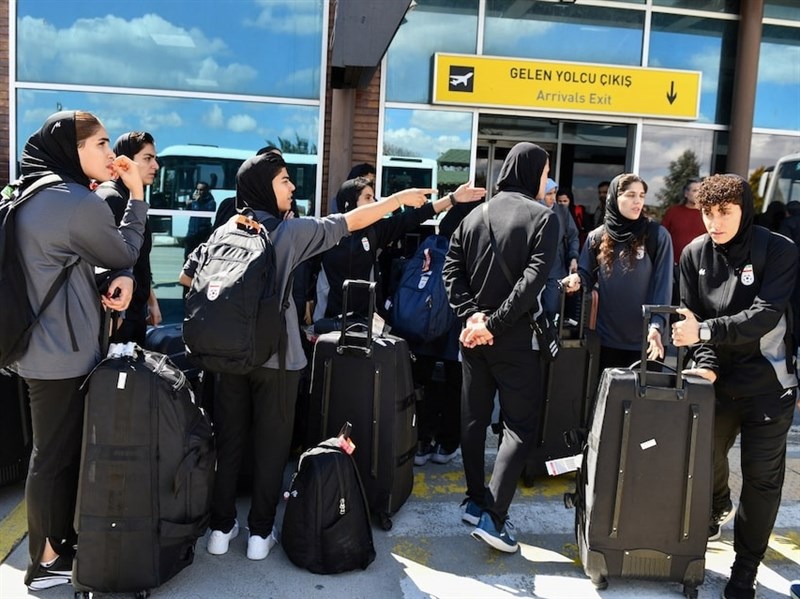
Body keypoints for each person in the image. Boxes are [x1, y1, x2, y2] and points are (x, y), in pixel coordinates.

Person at [179, 152, 432, 561]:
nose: (292, 186)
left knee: (228, 442)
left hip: (227, 356)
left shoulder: (227, 228)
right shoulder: (288, 232)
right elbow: (349, 221)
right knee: (271, 447)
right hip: (278, 359)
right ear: (264, 186)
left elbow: (187, 276)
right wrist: (399, 199)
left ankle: (220, 531)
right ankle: (260, 535)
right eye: (284, 180)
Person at [12, 110, 147, 590]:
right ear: (74, 150)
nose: (111, 154)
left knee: (53, 453)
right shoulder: (74, 201)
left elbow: (65, 263)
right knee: (52, 457)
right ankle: (44, 561)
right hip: (62, 353)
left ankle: (55, 546)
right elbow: (124, 251)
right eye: (101, 144)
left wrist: (114, 278)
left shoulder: (33, 192)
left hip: (37, 347)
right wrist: (136, 194)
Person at [671, 174, 798, 599]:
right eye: (708, 212)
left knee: (762, 482)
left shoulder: (778, 250)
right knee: (703, 463)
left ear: (744, 209)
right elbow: (688, 314)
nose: (715, 222)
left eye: (725, 212)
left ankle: (745, 569)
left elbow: (765, 314)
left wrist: (705, 333)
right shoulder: (693, 253)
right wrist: (704, 360)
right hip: (716, 386)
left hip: (769, 386)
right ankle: (718, 504)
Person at [442, 142, 559, 554]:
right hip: (515, 339)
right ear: (532, 172)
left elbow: (450, 270)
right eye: (545, 171)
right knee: (519, 426)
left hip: (473, 338)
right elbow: (532, 282)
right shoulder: (544, 218)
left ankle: (476, 501)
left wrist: (472, 317)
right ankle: (494, 517)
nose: (546, 179)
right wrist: (492, 324)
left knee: (473, 420)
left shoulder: (475, 215)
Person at [314, 176, 485, 324]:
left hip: (366, 324)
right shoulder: (327, 232)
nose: (374, 203)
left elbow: (413, 217)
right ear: (348, 203)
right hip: (327, 323)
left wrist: (452, 198)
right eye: (367, 197)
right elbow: (308, 268)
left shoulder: (375, 231)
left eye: (374, 197)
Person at [561, 173, 673, 371]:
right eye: (631, 195)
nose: (638, 201)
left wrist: (657, 325)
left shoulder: (657, 235)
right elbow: (586, 275)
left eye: (641, 195)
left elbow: (663, 285)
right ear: (614, 198)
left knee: (641, 392)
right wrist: (576, 279)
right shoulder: (596, 237)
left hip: (648, 340)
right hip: (606, 340)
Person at [95, 131, 162, 343]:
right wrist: (116, 316)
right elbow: (106, 263)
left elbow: (138, 260)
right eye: (147, 158)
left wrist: (151, 301)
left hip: (134, 311)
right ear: (126, 161)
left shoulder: (132, 198)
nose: (155, 166)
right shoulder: (113, 198)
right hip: (119, 317)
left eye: (155, 158)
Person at [661, 178, 706, 307]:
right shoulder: (673, 212)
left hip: (701, 267)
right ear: (686, 193)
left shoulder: (708, 214)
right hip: (675, 267)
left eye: (701, 191)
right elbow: (662, 237)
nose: (698, 194)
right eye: (695, 190)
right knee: (675, 301)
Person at [538, 178, 579, 318]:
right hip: (534, 268)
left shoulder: (562, 212)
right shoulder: (532, 210)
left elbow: (573, 236)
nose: (553, 198)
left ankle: (549, 330)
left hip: (556, 267)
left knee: (551, 307)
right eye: (548, 194)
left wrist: (573, 257)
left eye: (554, 193)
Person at [183, 181, 216, 258]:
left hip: (203, 233)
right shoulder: (194, 201)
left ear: (206, 190)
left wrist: (200, 202)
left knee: (201, 256)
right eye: (197, 189)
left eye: (201, 190)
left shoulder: (211, 202)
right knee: (187, 256)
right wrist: (188, 204)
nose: (198, 192)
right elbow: (188, 211)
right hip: (192, 233)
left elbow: (208, 212)